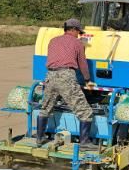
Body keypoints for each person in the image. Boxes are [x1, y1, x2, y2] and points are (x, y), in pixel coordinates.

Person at [37, 18, 97, 150]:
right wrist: (87, 80)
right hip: (66, 77)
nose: (79, 35)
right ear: (74, 30)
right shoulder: (77, 43)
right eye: (78, 32)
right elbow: (82, 63)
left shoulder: (53, 40)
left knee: (45, 108)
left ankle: (39, 138)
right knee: (85, 111)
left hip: (50, 76)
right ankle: (84, 142)